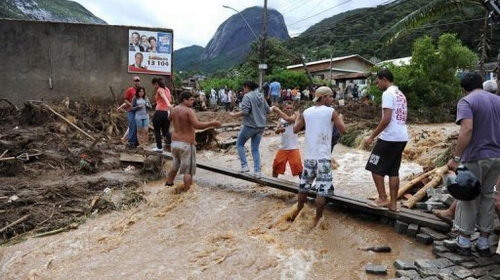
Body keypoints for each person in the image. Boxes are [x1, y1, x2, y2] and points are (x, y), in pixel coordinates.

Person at [443, 72, 500, 257]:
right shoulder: (497, 100)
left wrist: (456, 158)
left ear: (464, 88)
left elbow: (467, 129)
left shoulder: (467, 101)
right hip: (496, 157)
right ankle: (483, 243)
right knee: (487, 197)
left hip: (475, 156)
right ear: (481, 84)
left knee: (468, 197)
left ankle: (464, 242)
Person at [291, 86, 346, 227]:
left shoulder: (307, 112)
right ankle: (317, 218)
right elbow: (343, 130)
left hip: (309, 157)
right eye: (331, 96)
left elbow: (295, 129)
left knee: (303, 187)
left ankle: (298, 210)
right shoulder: (331, 112)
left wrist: (298, 117)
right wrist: (340, 118)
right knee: (321, 191)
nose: (332, 99)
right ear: (324, 97)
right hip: (323, 158)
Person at [363, 69, 408, 213]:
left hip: (389, 137)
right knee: (393, 171)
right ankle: (393, 204)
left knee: (374, 166)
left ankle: (382, 198)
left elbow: (386, 118)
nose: (377, 84)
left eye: (378, 81)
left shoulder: (388, 94)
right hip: (401, 137)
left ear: (384, 79)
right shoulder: (400, 94)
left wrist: (371, 136)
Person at [164, 91, 221, 192]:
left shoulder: (174, 109)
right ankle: (187, 193)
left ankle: (168, 184)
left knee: (175, 166)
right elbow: (197, 125)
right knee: (188, 171)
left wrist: (172, 110)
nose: (193, 102)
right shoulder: (188, 111)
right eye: (191, 100)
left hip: (175, 143)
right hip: (186, 144)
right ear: (184, 100)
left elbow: (169, 118)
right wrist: (212, 123)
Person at [230, 80, 270, 178]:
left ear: (247, 87)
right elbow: (268, 110)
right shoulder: (261, 96)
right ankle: (257, 172)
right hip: (261, 126)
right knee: (255, 149)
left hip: (250, 125)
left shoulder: (247, 96)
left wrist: (234, 115)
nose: (243, 90)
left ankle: (244, 166)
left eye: (244, 88)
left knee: (239, 144)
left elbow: (245, 111)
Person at [270, 101, 302, 178]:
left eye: (291, 108)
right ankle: (273, 183)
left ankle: (303, 184)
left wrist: (277, 110)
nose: (289, 110)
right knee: (276, 167)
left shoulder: (295, 116)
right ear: (284, 109)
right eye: (287, 108)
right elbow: (276, 130)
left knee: (299, 169)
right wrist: (279, 130)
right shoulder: (281, 119)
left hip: (294, 147)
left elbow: (289, 119)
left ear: (293, 108)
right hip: (283, 147)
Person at [117, 76, 142, 148]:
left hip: (139, 112)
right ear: (133, 82)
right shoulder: (130, 90)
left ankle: (136, 142)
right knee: (133, 124)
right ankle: (131, 142)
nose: (137, 82)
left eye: (138, 80)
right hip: (131, 111)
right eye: (135, 81)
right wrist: (131, 105)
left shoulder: (141, 90)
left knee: (137, 126)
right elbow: (125, 100)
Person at [151, 77, 173, 152]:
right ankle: (173, 144)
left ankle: (159, 147)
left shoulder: (160, 89)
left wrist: (168, 104)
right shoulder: (167, 89)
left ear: (156, 84)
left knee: (157, 131)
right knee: (166, 131)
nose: (154, 87)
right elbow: (170, 99)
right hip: (166, 113)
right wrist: (168, 106)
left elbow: (164, 98)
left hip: (159, 112)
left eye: (154, 85)